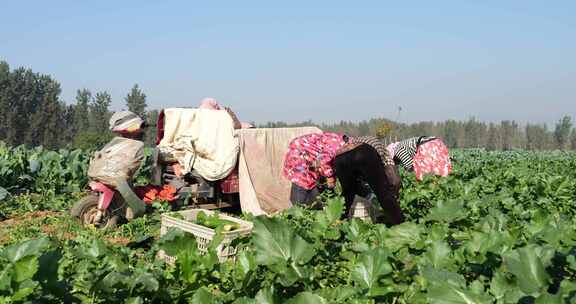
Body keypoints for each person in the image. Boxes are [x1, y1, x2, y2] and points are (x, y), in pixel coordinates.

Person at [283, 132, 405, 225]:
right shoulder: (375, 149)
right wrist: (330, 177)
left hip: (340, 159)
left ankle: (340, 221)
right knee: (383, 193)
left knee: (348, 195)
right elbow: (393, 178)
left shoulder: (324, 143)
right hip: (360, 154)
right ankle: (399, 223)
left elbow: (324, 160)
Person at [387, 136, 452, 181]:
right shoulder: (402, 144)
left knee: (425, 176)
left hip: (427, 146)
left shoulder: (398, 151)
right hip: (437, 142)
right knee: (442, 172)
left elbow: (410, 168)